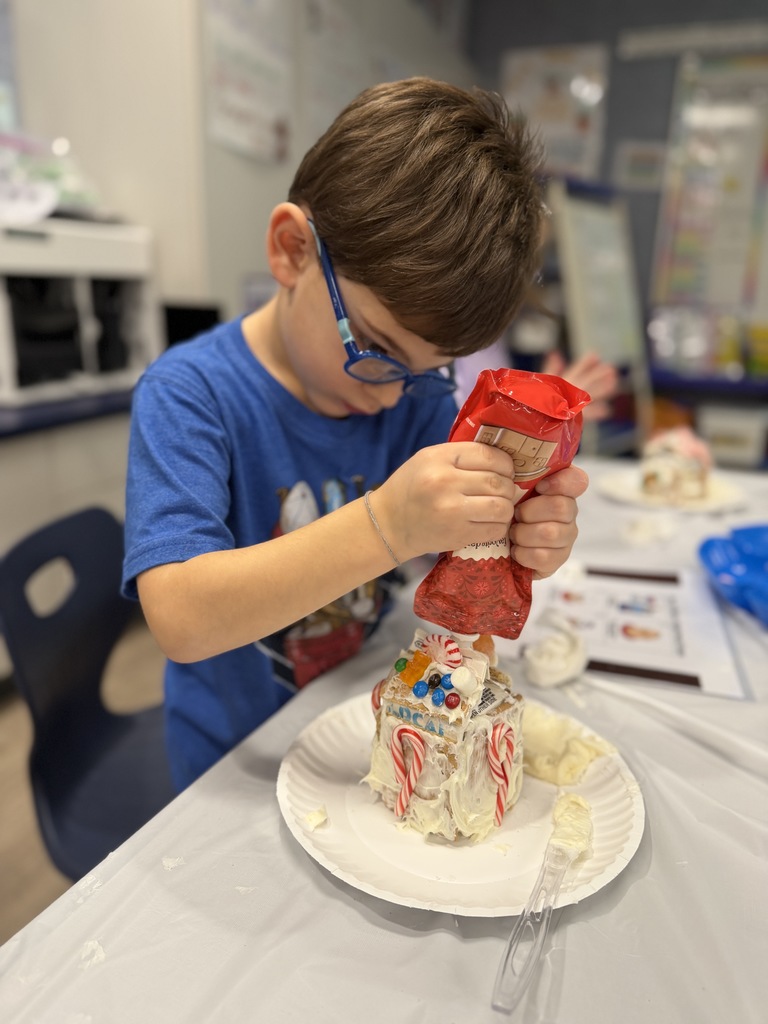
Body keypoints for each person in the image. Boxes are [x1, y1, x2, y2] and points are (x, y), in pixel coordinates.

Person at [122, 78, 589, 791]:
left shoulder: (412, 391)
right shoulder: (192, 395)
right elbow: (181, 618)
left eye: (430, 369)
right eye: (374, 348)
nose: (393, 393)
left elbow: (454, 550)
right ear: (291, 251)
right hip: (234, 761)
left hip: (363, 730)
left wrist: (519, 532)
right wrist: (386, 523)